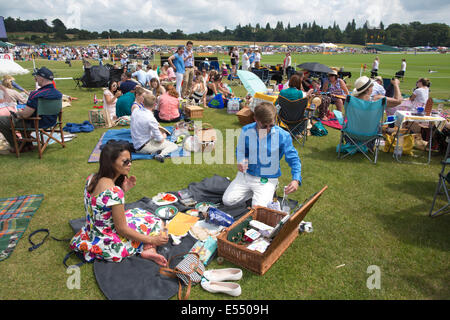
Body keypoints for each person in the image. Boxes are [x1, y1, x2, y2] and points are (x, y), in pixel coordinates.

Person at [69, 142, 169, 265]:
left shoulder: (91, 178)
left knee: (138, 212)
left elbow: (101, 205)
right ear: (111, 163)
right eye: (125, 161)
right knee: (155, 222)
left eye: (130, 160)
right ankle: (150, 247)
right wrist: (153, 239)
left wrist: (123, 190)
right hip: (110, 243)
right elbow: (122, 229)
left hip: (92, 233)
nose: (130, 164)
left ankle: (149, 249)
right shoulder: (114, 192)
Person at [222, 102, 302, 208]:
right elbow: (240, 150)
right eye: (264, 126)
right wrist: (241, 160)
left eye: (271, 125)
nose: (268, 129)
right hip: (246, 175)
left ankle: (266, 191)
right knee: (228, 201)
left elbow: (294, 159)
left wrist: (296, 179)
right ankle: (252, 193)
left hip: (267, 178)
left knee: (258, 208)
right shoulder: (246, 130)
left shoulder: (283, 136)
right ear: (255, 119)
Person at [0, 67, 62, 153]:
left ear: (41, 78)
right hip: (52, 122)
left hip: (35, 123)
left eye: (36, 77)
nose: (35, 79)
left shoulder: (36, 94)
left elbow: (26, 115)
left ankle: (18, 145)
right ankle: (27, 144)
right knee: (20, 120)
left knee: (3, 120)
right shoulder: (58, 94)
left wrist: (17, 113)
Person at [131, 94, 178, 163]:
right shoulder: (150, 118)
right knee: (173, 145)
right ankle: (161, 155)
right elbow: (160, 139)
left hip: (137, 143)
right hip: (143, 146)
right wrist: (163, 135)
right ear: (154, 105)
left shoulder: (135, 111)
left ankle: (158, 150)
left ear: (143, 102)